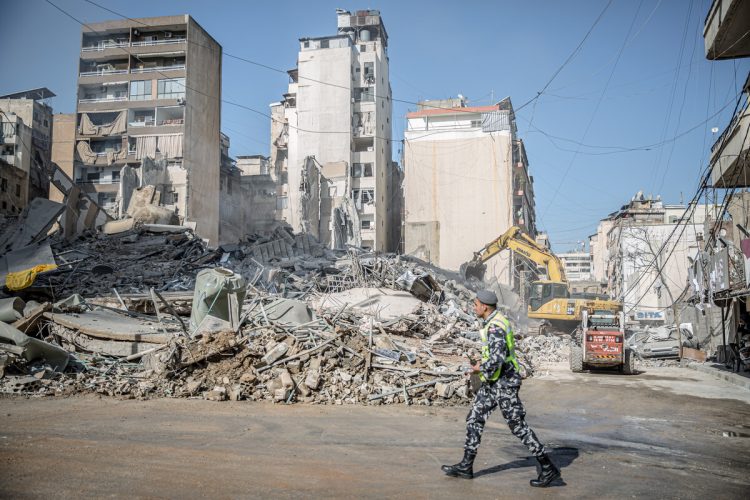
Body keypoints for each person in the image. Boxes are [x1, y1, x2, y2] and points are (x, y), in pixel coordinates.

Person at [441, 289, 561, 487]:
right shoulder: (493, 321)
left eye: (476, 304)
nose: (474, 307)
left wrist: (479, 368)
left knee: (517, 426)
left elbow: (496, 359)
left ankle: (548, 468)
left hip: (504, 383)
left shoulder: (495, 326)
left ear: (484, 307)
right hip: (493, 382)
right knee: (474, 418)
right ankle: (466, 466)